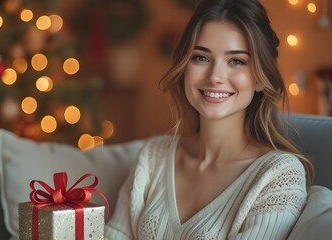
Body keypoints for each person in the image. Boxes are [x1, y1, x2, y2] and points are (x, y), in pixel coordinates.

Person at [105, 0, 314, 239]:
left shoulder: (279, 175)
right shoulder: (153, 157)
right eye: (201, 58)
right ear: (184, 66)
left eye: (236, 61)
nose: (215, 77)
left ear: (259, 77)